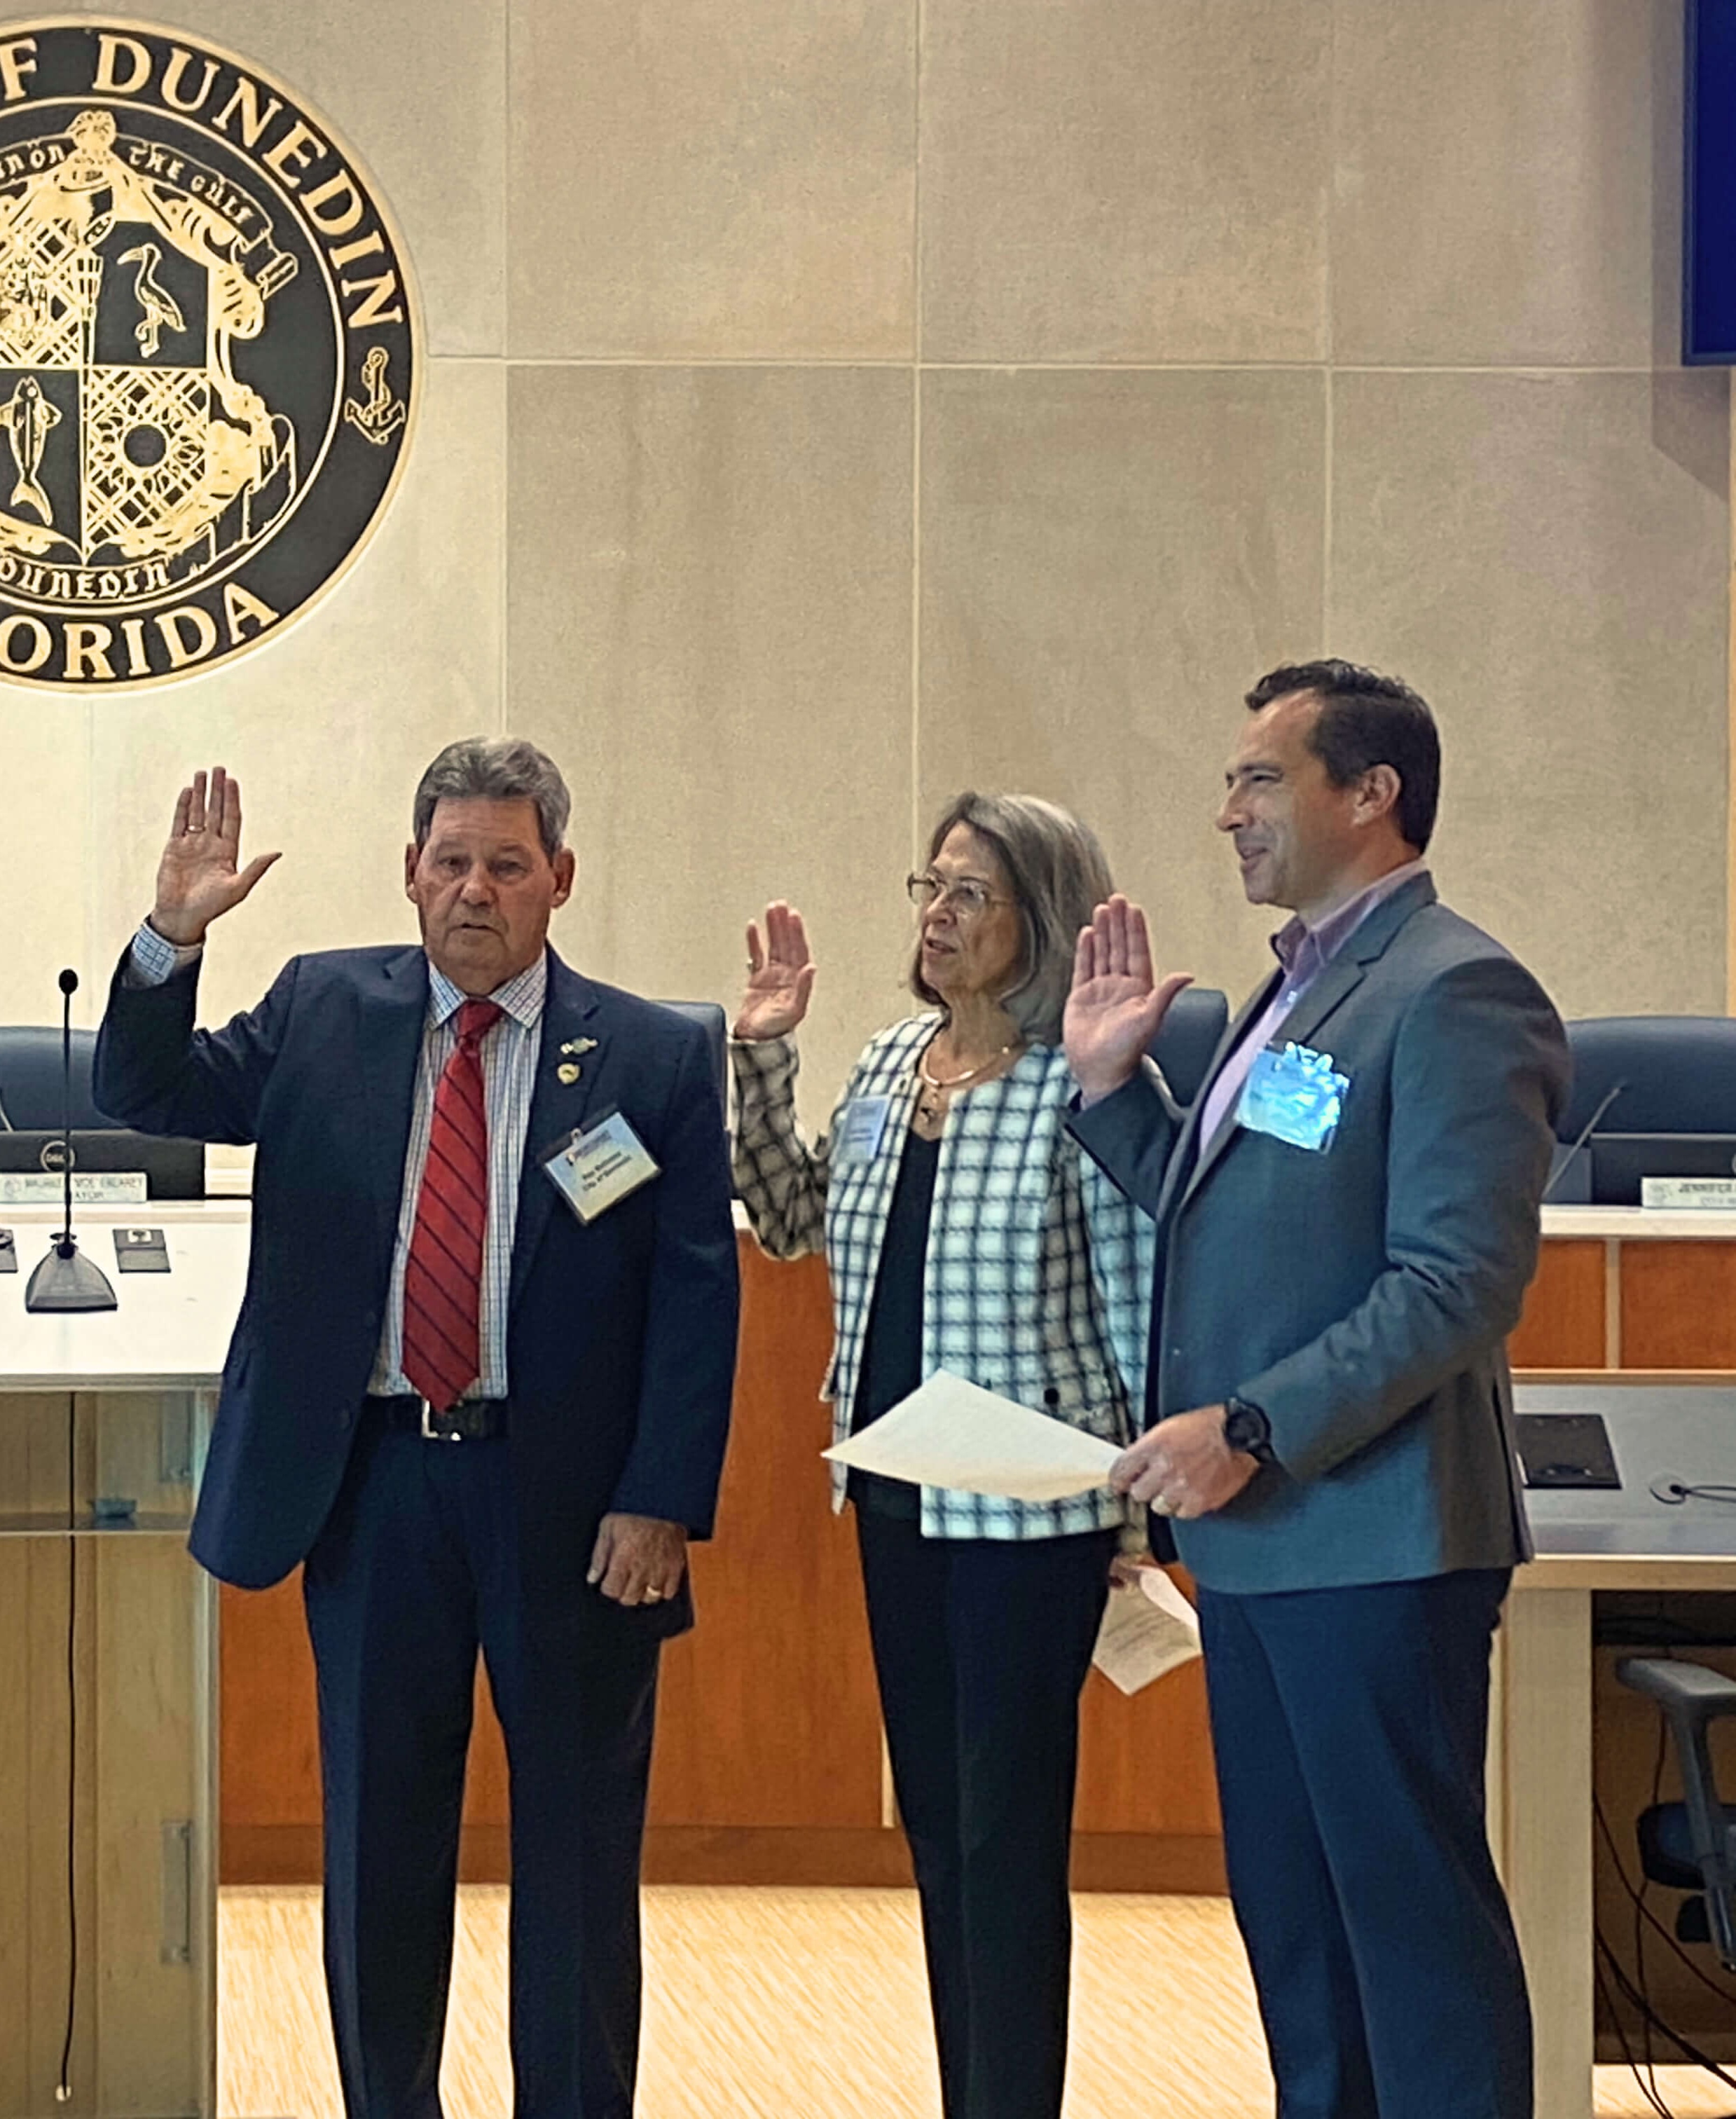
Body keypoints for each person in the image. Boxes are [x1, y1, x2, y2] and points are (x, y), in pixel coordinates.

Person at [94, 744, 738, 2119]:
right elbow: (142, 1098)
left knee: (574, 1857)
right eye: (449, 860)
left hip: (572, 1514)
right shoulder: (324, 1007)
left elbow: (696, 1290)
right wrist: (173, 933)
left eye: (507, 864)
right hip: (375, 1487)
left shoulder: (652, 1055)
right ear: (409, 871)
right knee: (382, 1849)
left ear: (560, 880)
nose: (474, 890)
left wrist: (662, 1499)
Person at [1065, 660, 1568, 2119]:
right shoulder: (1291, 991)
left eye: (1259, 779)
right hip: (1267, 1547)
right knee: (1298, 1936)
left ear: (1371, 794)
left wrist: (1252, 1427)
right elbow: (1237, 1232)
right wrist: (1114, 1096)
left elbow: (1455, 1284)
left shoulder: (1453, 986)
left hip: (1378, 1540)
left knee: (1407, 1936)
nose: (1227, 812)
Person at [731, 793, 1160, 2119]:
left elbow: (1142, 1295)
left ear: (1043, 916)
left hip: (1035, 1514)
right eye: (930, 885)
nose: (937, 914)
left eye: (970, 894)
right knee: (936, 1822)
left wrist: (1143, 1515)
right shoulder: (883, 1063)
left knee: (1003, 1834)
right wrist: (760, 1059)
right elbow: (792, 1224)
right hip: (894, 1494)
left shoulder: (1086, 1080)